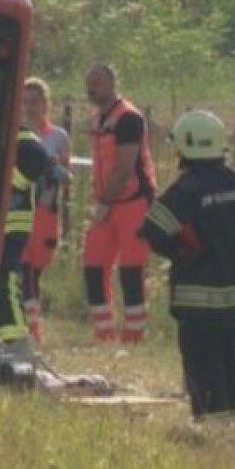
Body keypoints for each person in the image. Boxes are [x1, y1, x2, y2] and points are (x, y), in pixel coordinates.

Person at [138, 110, 235, 424]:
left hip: (197, 300)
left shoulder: (186, 189)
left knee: (203, 364)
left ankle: (214, 431)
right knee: (231, 362)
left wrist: (182, 252)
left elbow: (153, 230)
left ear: (187, 146)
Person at [83, 64, 157, 343]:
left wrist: (104, 201)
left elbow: (124, 166)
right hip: (108, 201)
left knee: (131, 269)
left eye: (98, 82)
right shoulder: (98, 119)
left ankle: (134, 336)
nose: (92, 89)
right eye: (90, 83)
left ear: (113, 83)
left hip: (133, 202)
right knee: (93, 266)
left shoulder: (128, 118)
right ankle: (104, 334)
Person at [0, 104, 66, 354]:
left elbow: (52, 172)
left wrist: (50, 181)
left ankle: (17, 345)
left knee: (6, 281)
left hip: (11, 228)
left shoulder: (24, 143)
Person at [19, 77, 70, 341]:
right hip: (20, 213)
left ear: (46, 104)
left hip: (46, 213)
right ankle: (31, 330)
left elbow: (64, 175)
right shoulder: (15, 134)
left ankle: (30, 324)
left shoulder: (58, 137)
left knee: (34, 272)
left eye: (34, 101)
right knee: (22, 268)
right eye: (25, 101)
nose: (29, 107)